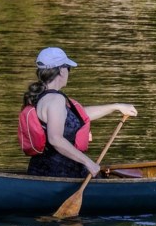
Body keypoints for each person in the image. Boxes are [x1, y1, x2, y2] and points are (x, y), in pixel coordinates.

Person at [23, 47, 137, 178]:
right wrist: (88, 163)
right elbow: (55, 139)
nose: (69, 72)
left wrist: (115, 107)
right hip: (59, 172)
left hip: (41, 169)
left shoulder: (42, 96)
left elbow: (78, 116)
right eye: (68, 68)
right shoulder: (55, 100)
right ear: (61, 70)